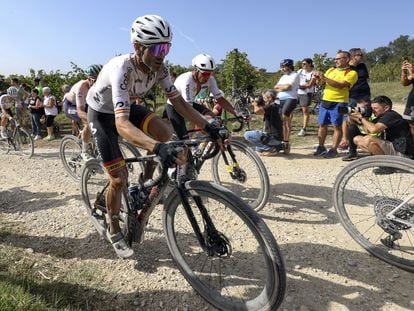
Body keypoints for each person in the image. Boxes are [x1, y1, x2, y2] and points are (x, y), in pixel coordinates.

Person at [85, 14, 222, 259]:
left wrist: (209, 126)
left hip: (126, 107)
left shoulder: (161, 68)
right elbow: (122, 123)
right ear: (138, 47)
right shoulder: (122, 69)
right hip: (103, 114)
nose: (163, 54)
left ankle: (147, 181)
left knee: (165, 132)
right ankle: (113, 226)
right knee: (118, 179)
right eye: (158, 47)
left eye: (167, 47)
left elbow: (179, 103)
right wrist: (157, 148)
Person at [166, 53, 238, 140]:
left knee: (212, 116)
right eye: (205, 74)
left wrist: (236, 112)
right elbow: (188, 109)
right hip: (175, 107)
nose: (208, 77)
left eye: (210, 73)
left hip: (189, 104)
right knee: (184, 140)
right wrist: (205, 120)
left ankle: (204, 143)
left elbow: (220, 99)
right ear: (195, 70)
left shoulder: (210, 79)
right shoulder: (187, 80)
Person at [313, 50, 358, 158]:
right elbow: (322, 83)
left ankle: (333, 149)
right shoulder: (331, 70)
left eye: (338, 58)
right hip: (325, 100)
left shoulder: (351, 73)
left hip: (340, 102)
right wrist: (318, 79)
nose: (336, 60)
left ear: (346, 59)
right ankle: (321, 146)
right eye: (335, 58)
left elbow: (341, 85)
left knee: (337, 126)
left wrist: (324, 78)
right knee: (322, 124)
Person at [348, 95, 414, 160]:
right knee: (357, 139)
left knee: (369, 139)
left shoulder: (391, 115)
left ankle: (385, 166)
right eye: (372, 108)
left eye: (375, 108)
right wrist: (359, 117)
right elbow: (368, 131)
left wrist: (361, 118)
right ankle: (385, 161)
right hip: (392, 147)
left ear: (386, 108)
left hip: (402, 151)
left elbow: (374, 130)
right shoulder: (381, 117)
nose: (373, 111)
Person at [63, 64, 102, 160]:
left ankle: (86, 140)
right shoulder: (82, 86)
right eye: (96, 79)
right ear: (89, 78)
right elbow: (80, 111)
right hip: (70, 105)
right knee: (89, 123)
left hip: (85, 104)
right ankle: (84, 152)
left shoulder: (101, 85)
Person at [338, 48, 371, 150]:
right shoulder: (347, 68)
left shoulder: (362, 66)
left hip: (364, 95)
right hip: (351, 96)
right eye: (358, 55)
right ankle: (346, 140)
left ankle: (367, 139)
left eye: (361, 55)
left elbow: (365, 79)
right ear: (352, 56)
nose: (360, 57)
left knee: (365, 115)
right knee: (347, 117)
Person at [244, 91, 283, 156]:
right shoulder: (276, 106)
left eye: (264, 98)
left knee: (247, 135)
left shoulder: (270, 106)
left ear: (270, 98)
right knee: (258, 149)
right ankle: (278, 146)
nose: (262, 100)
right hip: (278, 138)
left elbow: (257, 111)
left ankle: (270, 149)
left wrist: (255, 104)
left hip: (272, 137)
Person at [274, 59, 300, 154]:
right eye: (282, 67)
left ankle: (286, 141)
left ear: (289, 66)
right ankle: (281, 140)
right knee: (281, 120)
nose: (282, 69)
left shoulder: (295, 75)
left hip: (291, 98)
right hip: (280, 99)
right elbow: (275, 87)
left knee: (285, 118)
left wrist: (282, 87)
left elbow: (287, 87)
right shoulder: (283, 77)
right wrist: (282, 87)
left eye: (284, 67)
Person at [297, 58, 316, 137]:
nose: (303, 65)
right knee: (290, 109)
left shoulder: (313, 73)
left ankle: (304, 128)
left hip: (306, 94)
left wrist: (297, 86)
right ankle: (287, 125)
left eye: (304, 64)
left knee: (305, 111)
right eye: (302, 64)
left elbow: (309, 85)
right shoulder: (300, 71)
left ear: (310, 64)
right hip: (297, 93)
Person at [400, 57, 414, 138]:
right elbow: (404, 83)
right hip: (411, 104)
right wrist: (404, 71)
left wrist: (412, 72)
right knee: (411, 128)